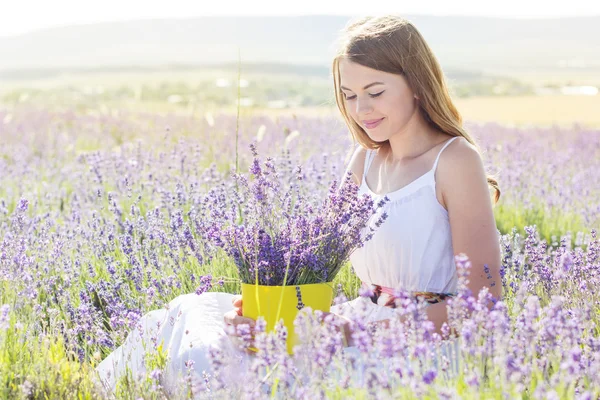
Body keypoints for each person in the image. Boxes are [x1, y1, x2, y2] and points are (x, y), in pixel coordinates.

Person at [96, 14, 502, 395]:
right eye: (349, 95)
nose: (361, 110)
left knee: (211, 361)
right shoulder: (364, 161)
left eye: (375, 92)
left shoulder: (454, 161)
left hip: (420, 352)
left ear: (415, 83)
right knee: (196, 312)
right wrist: (268, 311)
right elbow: (313, 266)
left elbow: (482, 307)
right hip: (354, 325)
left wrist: (348, 334)